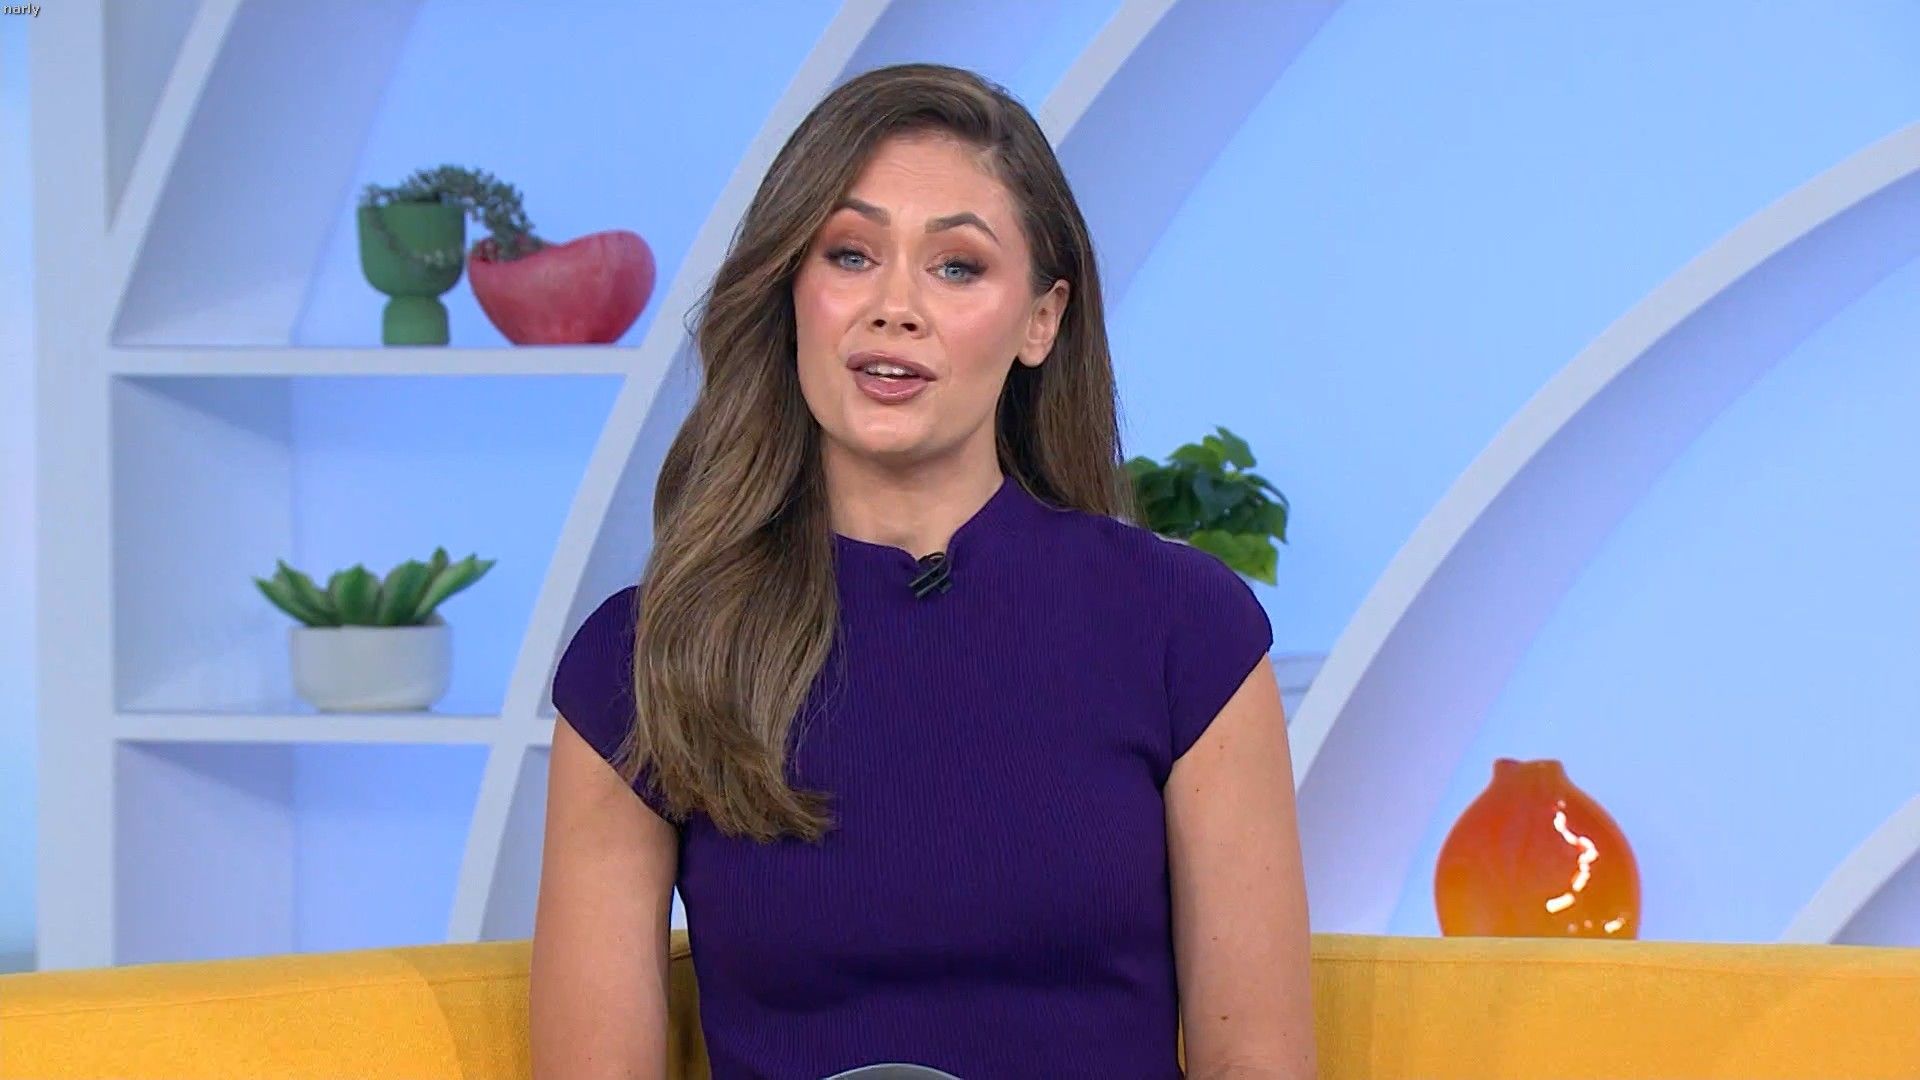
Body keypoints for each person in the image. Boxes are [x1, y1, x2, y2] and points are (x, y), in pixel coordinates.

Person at [529, 62, 1315, 1080]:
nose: (894, 306)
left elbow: (1255, 1061)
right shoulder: (643, 659)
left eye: (956, 267)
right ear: (792, 294)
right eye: (851, 255)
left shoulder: (1185, 631)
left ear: (1041, 321)